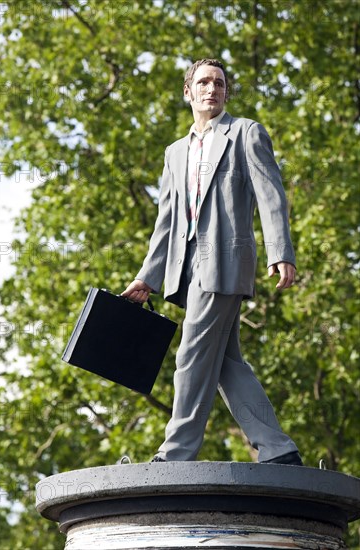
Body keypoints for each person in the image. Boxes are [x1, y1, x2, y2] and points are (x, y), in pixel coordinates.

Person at [122, 58, 303, 466]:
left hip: (225, 262)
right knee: (226, 363)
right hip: (187, 271)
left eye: (219, 83)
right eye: (203, 82)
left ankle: (175, 453)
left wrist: (280, 252)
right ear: (188, 92)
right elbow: (166, 222)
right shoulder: (174, 153)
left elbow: (270, 194)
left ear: (225, 92)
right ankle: (277, 447)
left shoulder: (245, 133)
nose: (212, 89)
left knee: (190, 354)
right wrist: (147, 278)